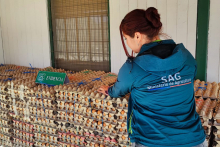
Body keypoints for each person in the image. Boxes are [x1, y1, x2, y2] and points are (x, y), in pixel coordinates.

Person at [98, 7, 207, 147]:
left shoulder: (133, 68)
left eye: (126, 38)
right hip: (193, 139)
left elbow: (118, 91)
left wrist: (108, 90)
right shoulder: (187, 58)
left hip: (151, 141)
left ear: (137, 36)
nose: (127, 43)